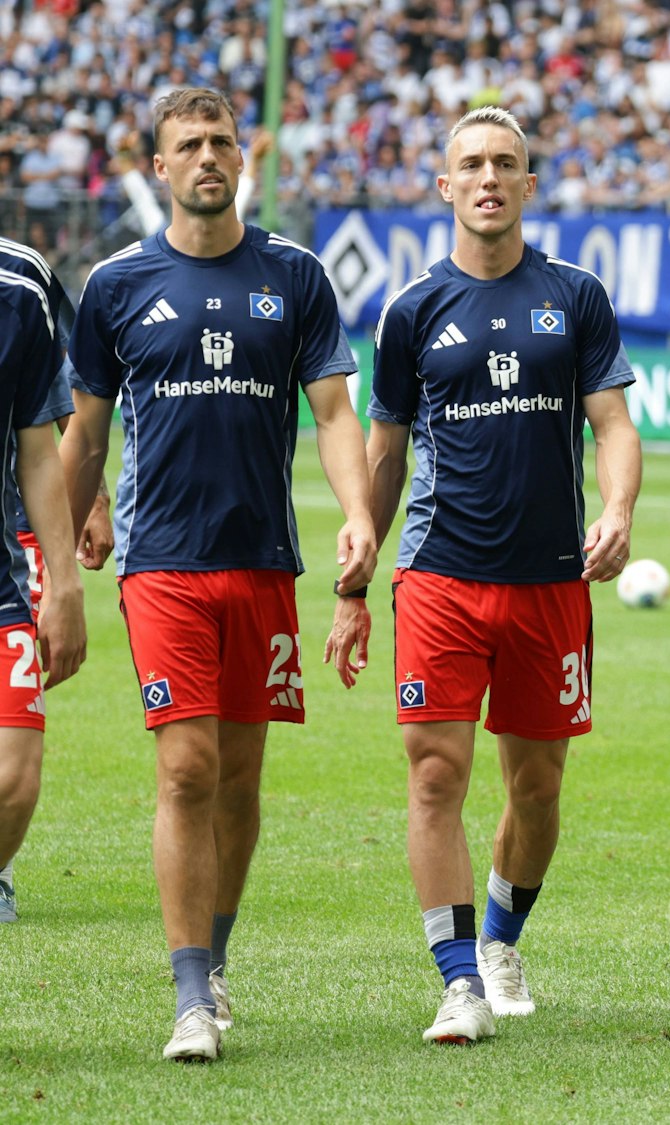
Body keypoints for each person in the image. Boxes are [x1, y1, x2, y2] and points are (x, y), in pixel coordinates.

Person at [62, 87, 377, 1062]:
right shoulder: (116, 284)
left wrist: (362, 513)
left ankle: (218, 959)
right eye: (189, 145)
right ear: (159, 167)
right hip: (162, 561)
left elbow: (331, 414)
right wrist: (66, 532)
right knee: (186, 766)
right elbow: (84, 428)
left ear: (245, 158)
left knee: (240, 779)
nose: (208, 157)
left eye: (221, 142)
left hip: (263, 564)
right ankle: (189, 996)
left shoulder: (295, 276)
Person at [353, 106, 641, 1045]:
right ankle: (457, 978)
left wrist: (618, 509)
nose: (487, 177)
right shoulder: (411, 311)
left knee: (539, 788)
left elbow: (613, 424)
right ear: (445, 187)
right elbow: (384, 449)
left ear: (528, 185)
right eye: (470, 164)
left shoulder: (577, 296)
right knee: (435, 775)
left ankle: (504, 934)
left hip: (552, 581)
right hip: (438, 575)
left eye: (504, 164)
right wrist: (359, 570)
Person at [0, 235, 111, 924]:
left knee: (14, 777)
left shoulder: (22, 283)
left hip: (6, 560)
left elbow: (48, 424)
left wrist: (64, 575)